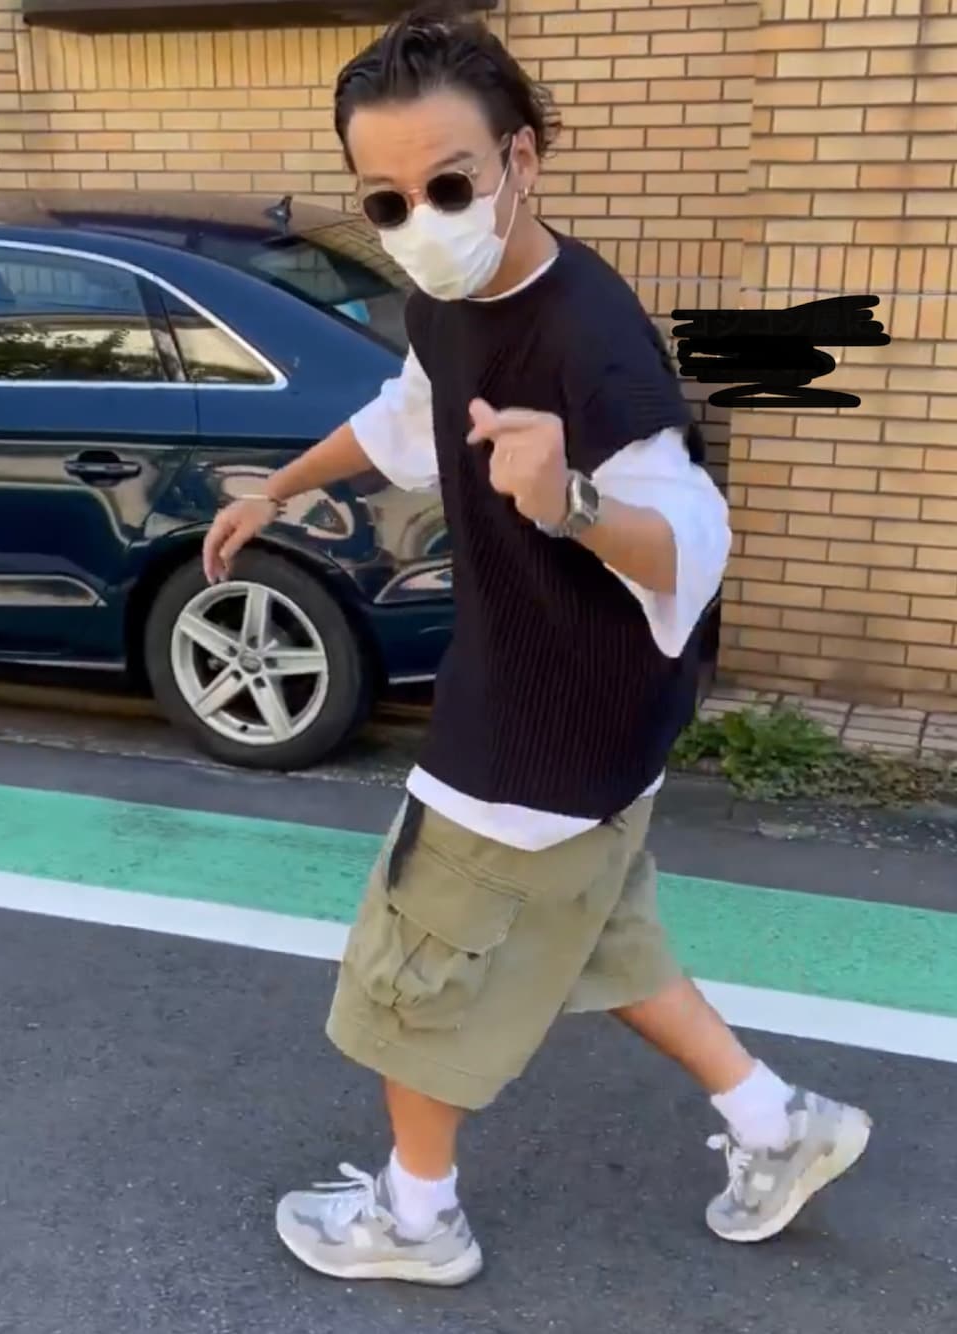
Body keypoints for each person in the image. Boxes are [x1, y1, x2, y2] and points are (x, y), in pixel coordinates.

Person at [202, 6, 871, 1288]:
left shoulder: (591, 343)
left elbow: (691, 546)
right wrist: (276, 489)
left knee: (410, 972)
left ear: (523, 156)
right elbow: (405, 415)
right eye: (387, 201)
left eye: (449, 184)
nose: (421, 219)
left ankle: (417, 1218)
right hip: (594, 726)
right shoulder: (453, 300)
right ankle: (777, 1123)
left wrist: (568, 501)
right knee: (599, 936)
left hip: (538, 729)